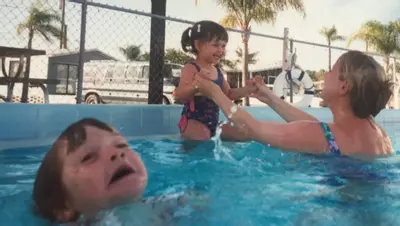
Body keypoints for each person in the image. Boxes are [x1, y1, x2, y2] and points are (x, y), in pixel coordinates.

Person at [193, 50, 394, 158]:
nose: (325, 74)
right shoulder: (379, 135)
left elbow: (251, 128)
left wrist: (214, 92)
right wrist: (270, 98)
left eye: (331, 71)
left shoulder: (325, 136)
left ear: (344, 86)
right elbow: (319, 131)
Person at [33, 118, 208, 224]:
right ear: (64, 207)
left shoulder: (164, 205)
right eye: (88, 157)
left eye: (121, 144)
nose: (116, 153)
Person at [174, 20, 259, 141]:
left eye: (223, 46)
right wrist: (196, 85)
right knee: (202, 135)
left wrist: (249, 89)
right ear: (198, 45)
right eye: (216, 45)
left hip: (214, 123)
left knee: (242, 132)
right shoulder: (191, 68)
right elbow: (180, 94)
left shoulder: (217, 71)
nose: (221, 50)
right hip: (192, 121)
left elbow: (229, 94)